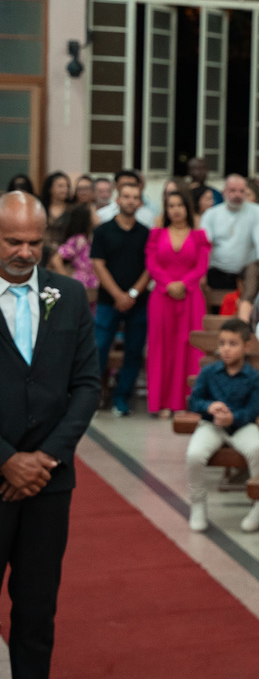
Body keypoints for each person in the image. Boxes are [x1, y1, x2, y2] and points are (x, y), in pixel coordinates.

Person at [0, 191, 101, 679]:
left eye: (34, 243)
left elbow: (86, 386)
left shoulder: (70, 295)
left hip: (49, 483)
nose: (24, 252)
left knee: (37, 609)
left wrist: (45, 457)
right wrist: (6, 458)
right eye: (12, 241)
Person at [184, 318, 259, 533]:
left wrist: (233, 418)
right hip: (212, 425)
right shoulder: (209, 372)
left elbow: (253, 411)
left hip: (241, 425)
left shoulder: (253, 376)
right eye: (222, 343)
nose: (226, 349)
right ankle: (197, 503)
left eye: (233, 344)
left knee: (256, 450)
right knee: (194, 454)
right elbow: (193, 402)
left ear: (247, 346)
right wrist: (210, 406)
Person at [146, 189, 211, 418]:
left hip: (191, 297)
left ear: (188, 208)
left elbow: (202, 266)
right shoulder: (157, 234)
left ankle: (185, 403)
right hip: (162, 297)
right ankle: (162, 403)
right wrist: (168, 285)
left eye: (180, 205)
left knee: (189, 347)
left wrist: (183, 284)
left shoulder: (198, 235)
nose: (175, 210)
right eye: (171, 206)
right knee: (161, 349)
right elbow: (151, 263)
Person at [90, 182, 151, 416]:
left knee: (134, 352)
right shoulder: (103, 231)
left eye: (135, 197)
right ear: (117, 200)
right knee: (99, 349)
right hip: (108, 301)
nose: (130, 201)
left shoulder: (145, 233)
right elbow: (98, 264)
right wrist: (118, 295)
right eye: (126, 196)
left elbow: (149, 267)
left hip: (138, 303)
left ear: (140, 202)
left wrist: (133, 294)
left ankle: (121, 399)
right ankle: (93, 399)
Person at [201, 174, 259, 291]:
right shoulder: (211, 214)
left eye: (241, 191)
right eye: (232, 190)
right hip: (216, 273)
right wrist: (202, 274)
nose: (237, 195)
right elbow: (204, 246)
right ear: (224, 192)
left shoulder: (257, 212)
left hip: (247, 274)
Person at [50, 204, 98, 296]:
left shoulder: (90, 238)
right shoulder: (79, 239)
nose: (98, 215)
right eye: (94, 213)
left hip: (92, 287)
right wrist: (69, 281)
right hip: (81, 286)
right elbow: (56, 259)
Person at [39, 171, 72, 260]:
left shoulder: (72, 210)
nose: (65, 190)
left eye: (67, 186)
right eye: (60, 186)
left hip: (64, 256)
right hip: (41, 254)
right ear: (50, 188)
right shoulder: (40, 208)